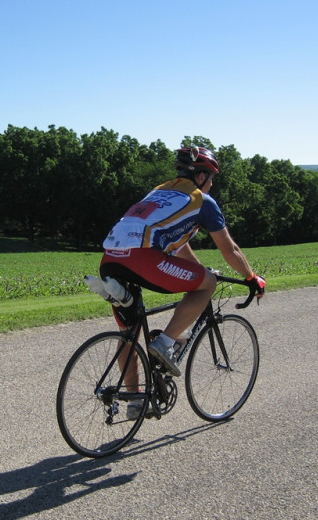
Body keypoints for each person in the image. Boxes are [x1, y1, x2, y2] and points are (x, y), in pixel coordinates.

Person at [90, 145, 264, 417]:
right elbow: (229, 249)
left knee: (130, 333)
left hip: (110, 259)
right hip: (141, 258)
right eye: (212, 178)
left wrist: (198, 269)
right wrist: (251, 278)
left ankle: (137, 402)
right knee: (207, 284)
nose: (212, 184)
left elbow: (178, 245)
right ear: (201, 176)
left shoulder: (161, 191)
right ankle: (165, 344)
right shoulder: (201, 201)